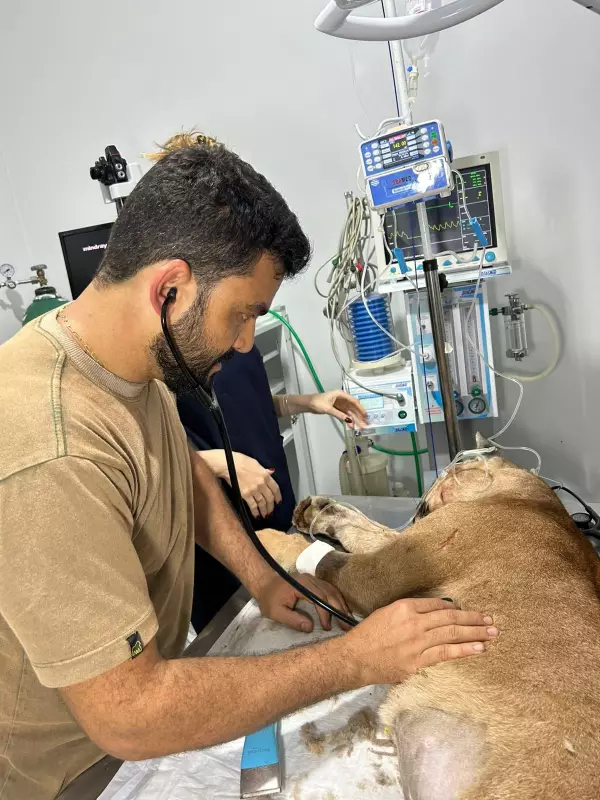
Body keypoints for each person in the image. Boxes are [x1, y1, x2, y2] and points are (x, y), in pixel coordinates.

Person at [0, 141, 497, 799]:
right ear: (169, 288)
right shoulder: (48, 448)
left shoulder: (126, 366)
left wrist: (262, 578)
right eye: (243, 314)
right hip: (73, 770)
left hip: (132, 702)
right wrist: (354, 659)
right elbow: (129, 714)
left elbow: (177, 464)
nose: (243, 344)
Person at [177, 345, 368, 632]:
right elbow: (146, 458)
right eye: (245, 314)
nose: (246, 338)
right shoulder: (166, 347)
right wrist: (220, 463)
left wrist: (309, 402)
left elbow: (244, 403)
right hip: (221, 540)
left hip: (275, 510)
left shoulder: (239, 336)